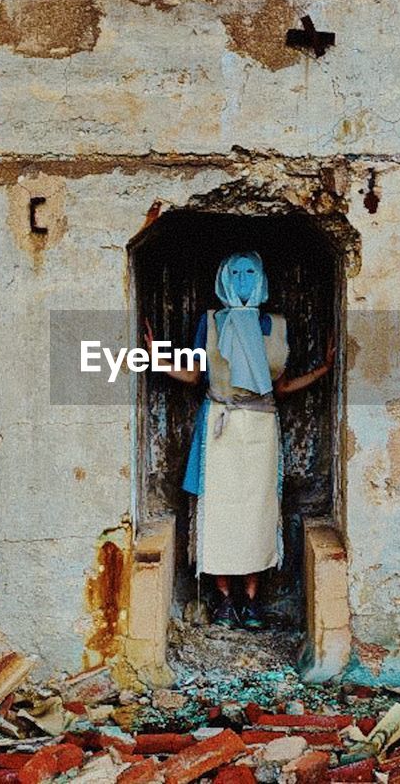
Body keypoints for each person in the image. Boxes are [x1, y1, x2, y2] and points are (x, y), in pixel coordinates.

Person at [146, 251, 332, 630]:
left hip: (261, 429)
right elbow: (196, 376)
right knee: (218, 511)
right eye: (236, 272)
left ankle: (251, 601)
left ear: (261, 277)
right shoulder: (211, 323)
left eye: (250, 271)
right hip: (220, 426)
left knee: (258, 511)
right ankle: (225, 600)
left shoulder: (277, 325)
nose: (244, 279)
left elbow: (279, 387)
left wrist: (323, 370)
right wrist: (155, 359)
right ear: (224, 277)